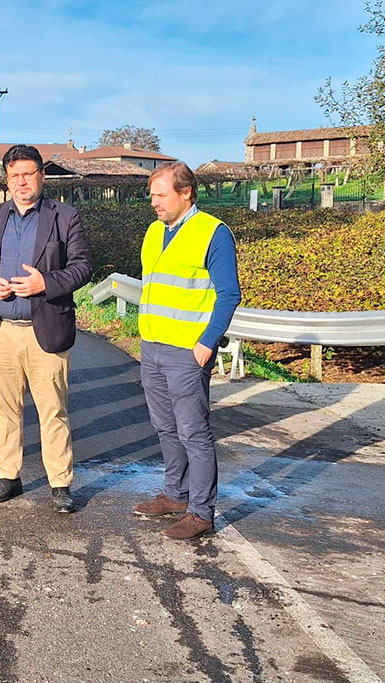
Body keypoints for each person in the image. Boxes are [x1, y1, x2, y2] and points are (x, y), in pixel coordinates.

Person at [0, 145, 92, 513]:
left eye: (28, 174)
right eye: (15, 175)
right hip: (0, 328)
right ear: (7, 179)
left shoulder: (64, 217)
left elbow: (82, 266)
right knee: (5, 409)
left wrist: (45, 284)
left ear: (42, 176)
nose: (22, 181)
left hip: (46, 328)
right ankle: (9, 476)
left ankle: (60, 483)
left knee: (53, 409)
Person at [132, 161, 241, 540]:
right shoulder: (153, 231)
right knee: (165, 428)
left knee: (193, 432)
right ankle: (176, 495)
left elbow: (229, 294)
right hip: (153, 346)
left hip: (187, 352)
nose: (154, 203)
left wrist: (206, 343)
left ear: (185, 193)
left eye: (160, 195)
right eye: (151, 195)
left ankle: (201, 512)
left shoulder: (213, 232)